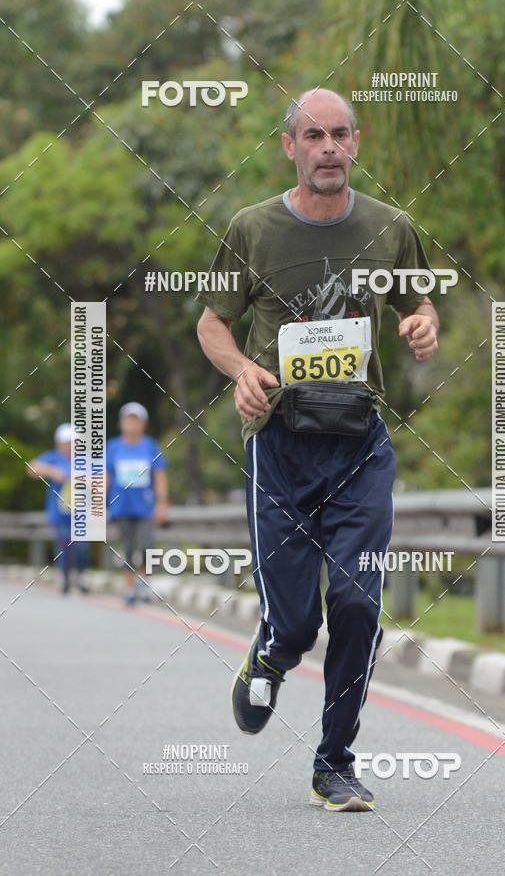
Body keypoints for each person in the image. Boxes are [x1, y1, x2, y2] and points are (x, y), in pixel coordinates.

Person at [197, 88, 439, 811]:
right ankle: (271, 653)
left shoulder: (392, 228)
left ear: (356, 142)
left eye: (340, 134)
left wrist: (423, 324)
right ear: (290, 146)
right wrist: (242, 370)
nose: (328, 147)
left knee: (360, 604)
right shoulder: (254, 228)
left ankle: (333, 763)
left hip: (360, 445)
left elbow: (420, 302)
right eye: (313, 135)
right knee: (300, 621)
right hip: (280, 446)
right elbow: (213, 322)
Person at [106, 402, 169, 604]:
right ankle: (129, 588)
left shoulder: (150, 446)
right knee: (127, 548)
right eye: (128, 419)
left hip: (145, 507)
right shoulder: (113, 446)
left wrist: (162, 503)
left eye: (136, 420)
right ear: (122, 423)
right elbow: (105, 476)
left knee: (147, 546)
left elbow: (159, 476)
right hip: (121, 507)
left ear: (143, 423)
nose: (131, 424)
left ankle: (144, 582)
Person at [27, 423, 90, 594]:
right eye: (65, 443)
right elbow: (31, 468)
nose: (69, 446)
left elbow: (102, 479)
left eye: (72, 442)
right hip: (59, 513)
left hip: (82, 514)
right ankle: (65, 578)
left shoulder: (85, 460)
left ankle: (82, 577)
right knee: (63, 546)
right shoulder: (52, 458)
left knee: (82, 546)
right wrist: (51, 471)